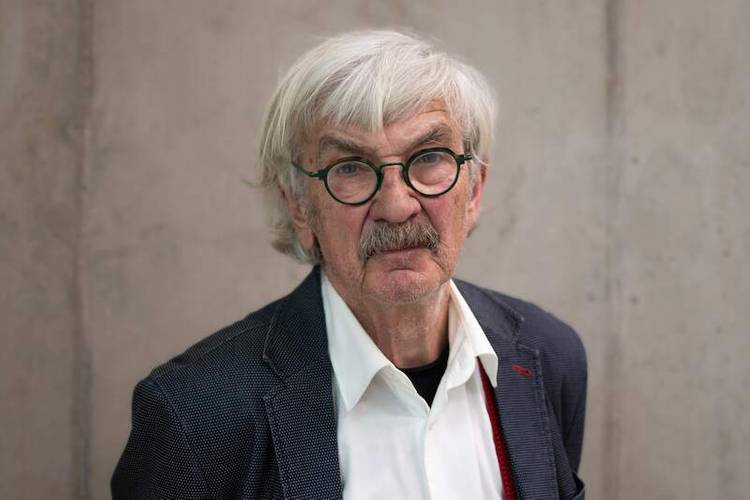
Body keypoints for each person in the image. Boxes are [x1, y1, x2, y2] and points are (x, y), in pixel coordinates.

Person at [112, 30, 586, 500]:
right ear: (299, 206)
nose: (397, 206)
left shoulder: (549, 358)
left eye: (428, 157)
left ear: (475, 189)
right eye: (351, 168)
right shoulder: (195, 417)